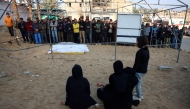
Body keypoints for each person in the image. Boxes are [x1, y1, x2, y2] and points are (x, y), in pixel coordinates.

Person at [133, 36, 150, 101]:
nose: (136, 42)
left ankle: (139, 96)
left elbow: (137, 63)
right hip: (144, 69)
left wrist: (133, 71)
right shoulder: (146, 50)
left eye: (137, 41)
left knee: (138, 83)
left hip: (139, 70)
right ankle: (139, 94)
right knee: (139, 82)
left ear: (140, 42)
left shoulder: (140, 52)